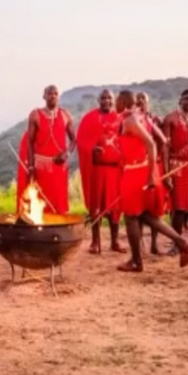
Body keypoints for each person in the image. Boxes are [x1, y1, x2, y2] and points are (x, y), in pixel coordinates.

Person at [114, 90, 188, 272]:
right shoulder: (140, 116)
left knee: (131, 216)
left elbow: (151, 143)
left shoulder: (131, 120)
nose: (115, 104)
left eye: (117, 100)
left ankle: (136, 261)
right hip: (140, 169)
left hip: (136, 172)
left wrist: (150, 175)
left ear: (124, 101)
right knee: (146, 216)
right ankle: (183, 242)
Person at [76, 89, 126, 254]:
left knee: (115, 206)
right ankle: (95, 242)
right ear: (98, 100)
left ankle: (115, 241)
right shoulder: (90, 118)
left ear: (114, 100)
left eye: (109, 98)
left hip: (115, 170)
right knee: (95, 205)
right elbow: (81, 140)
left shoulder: (121, 118)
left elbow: (127, 139)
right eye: (103, 98)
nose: (106, 101)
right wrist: (92, 148)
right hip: (97, 169)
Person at [16, 85, 76, 216]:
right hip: (41, 167)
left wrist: (67, 153)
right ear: (44, 96)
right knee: (40, 201)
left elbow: (74, 140)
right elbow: (30, 143)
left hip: (60, 168)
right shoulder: (35, 115)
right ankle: (40, 232)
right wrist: (31, 167)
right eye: (50, 93)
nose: (53, 96)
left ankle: (57, 229)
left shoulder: (66, 115)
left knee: (59, 202)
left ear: (58, 96)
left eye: (55, 93)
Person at [161, 89, 188, 255]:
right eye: (186, 98)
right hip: (177, 166)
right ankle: (176, 245)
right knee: (179, 208)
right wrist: (166, 173)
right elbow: (165, 149)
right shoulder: (170, 119)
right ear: (180, 101)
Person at [136, 91, 169, 255]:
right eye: (138, 99)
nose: (141, 102)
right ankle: (140, 244)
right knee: (138, 207)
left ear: (148, 103)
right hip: (139, 169)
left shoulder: (152, 120)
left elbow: (163, 140)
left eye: (144, 100)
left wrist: (156, 158)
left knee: (154, 208)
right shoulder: (133, 119)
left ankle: (154, 244)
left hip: (151, 167)